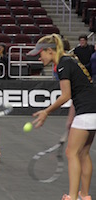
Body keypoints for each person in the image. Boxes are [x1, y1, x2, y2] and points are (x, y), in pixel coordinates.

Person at [27, 34, 96, 200]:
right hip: (91, 110)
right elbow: (79, 91)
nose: (39, 58)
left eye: (40, 54)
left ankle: (72, 197)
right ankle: (84, 195)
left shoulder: (63, 64)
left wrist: (46, 112)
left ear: (50, 51)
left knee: (71, 153)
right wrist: (72, 118)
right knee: (83, 153)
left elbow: (65, 96)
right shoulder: (71, 60)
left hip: (86, 111)